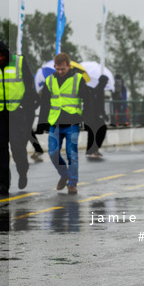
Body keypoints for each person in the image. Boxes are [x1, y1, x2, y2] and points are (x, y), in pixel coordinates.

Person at [0, 41, 35, 195]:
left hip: (16, 113)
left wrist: (24, 107)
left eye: (2, 55)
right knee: (0, 150)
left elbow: (29, 86)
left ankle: (23, 172)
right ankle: (3, 184)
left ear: (7, 53)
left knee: (18, 148)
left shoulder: (19, 62)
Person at [38, 52, 90, 194]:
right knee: (53, 153)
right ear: (54, 66)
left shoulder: (78, 79)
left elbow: (88, 100)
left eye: (63, 69)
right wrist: (41, 123)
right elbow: (44, 104)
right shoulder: (49, 81)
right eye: (57, 68)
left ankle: (72, 183)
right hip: (55, 122)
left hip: (72, 122)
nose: (60, 72)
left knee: (72, 154)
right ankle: (64, 174)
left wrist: (85, 118)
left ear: (68, 66)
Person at [85, 75, 109, 158]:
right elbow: (98, 105)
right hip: (95, 116)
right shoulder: (99, 90)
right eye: (106, 81)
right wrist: (102, 114)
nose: (107, 83)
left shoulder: (97, 89)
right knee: (100, 131)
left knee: (93, 133)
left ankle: (91, 150)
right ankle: (94, 150)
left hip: (93, 116)